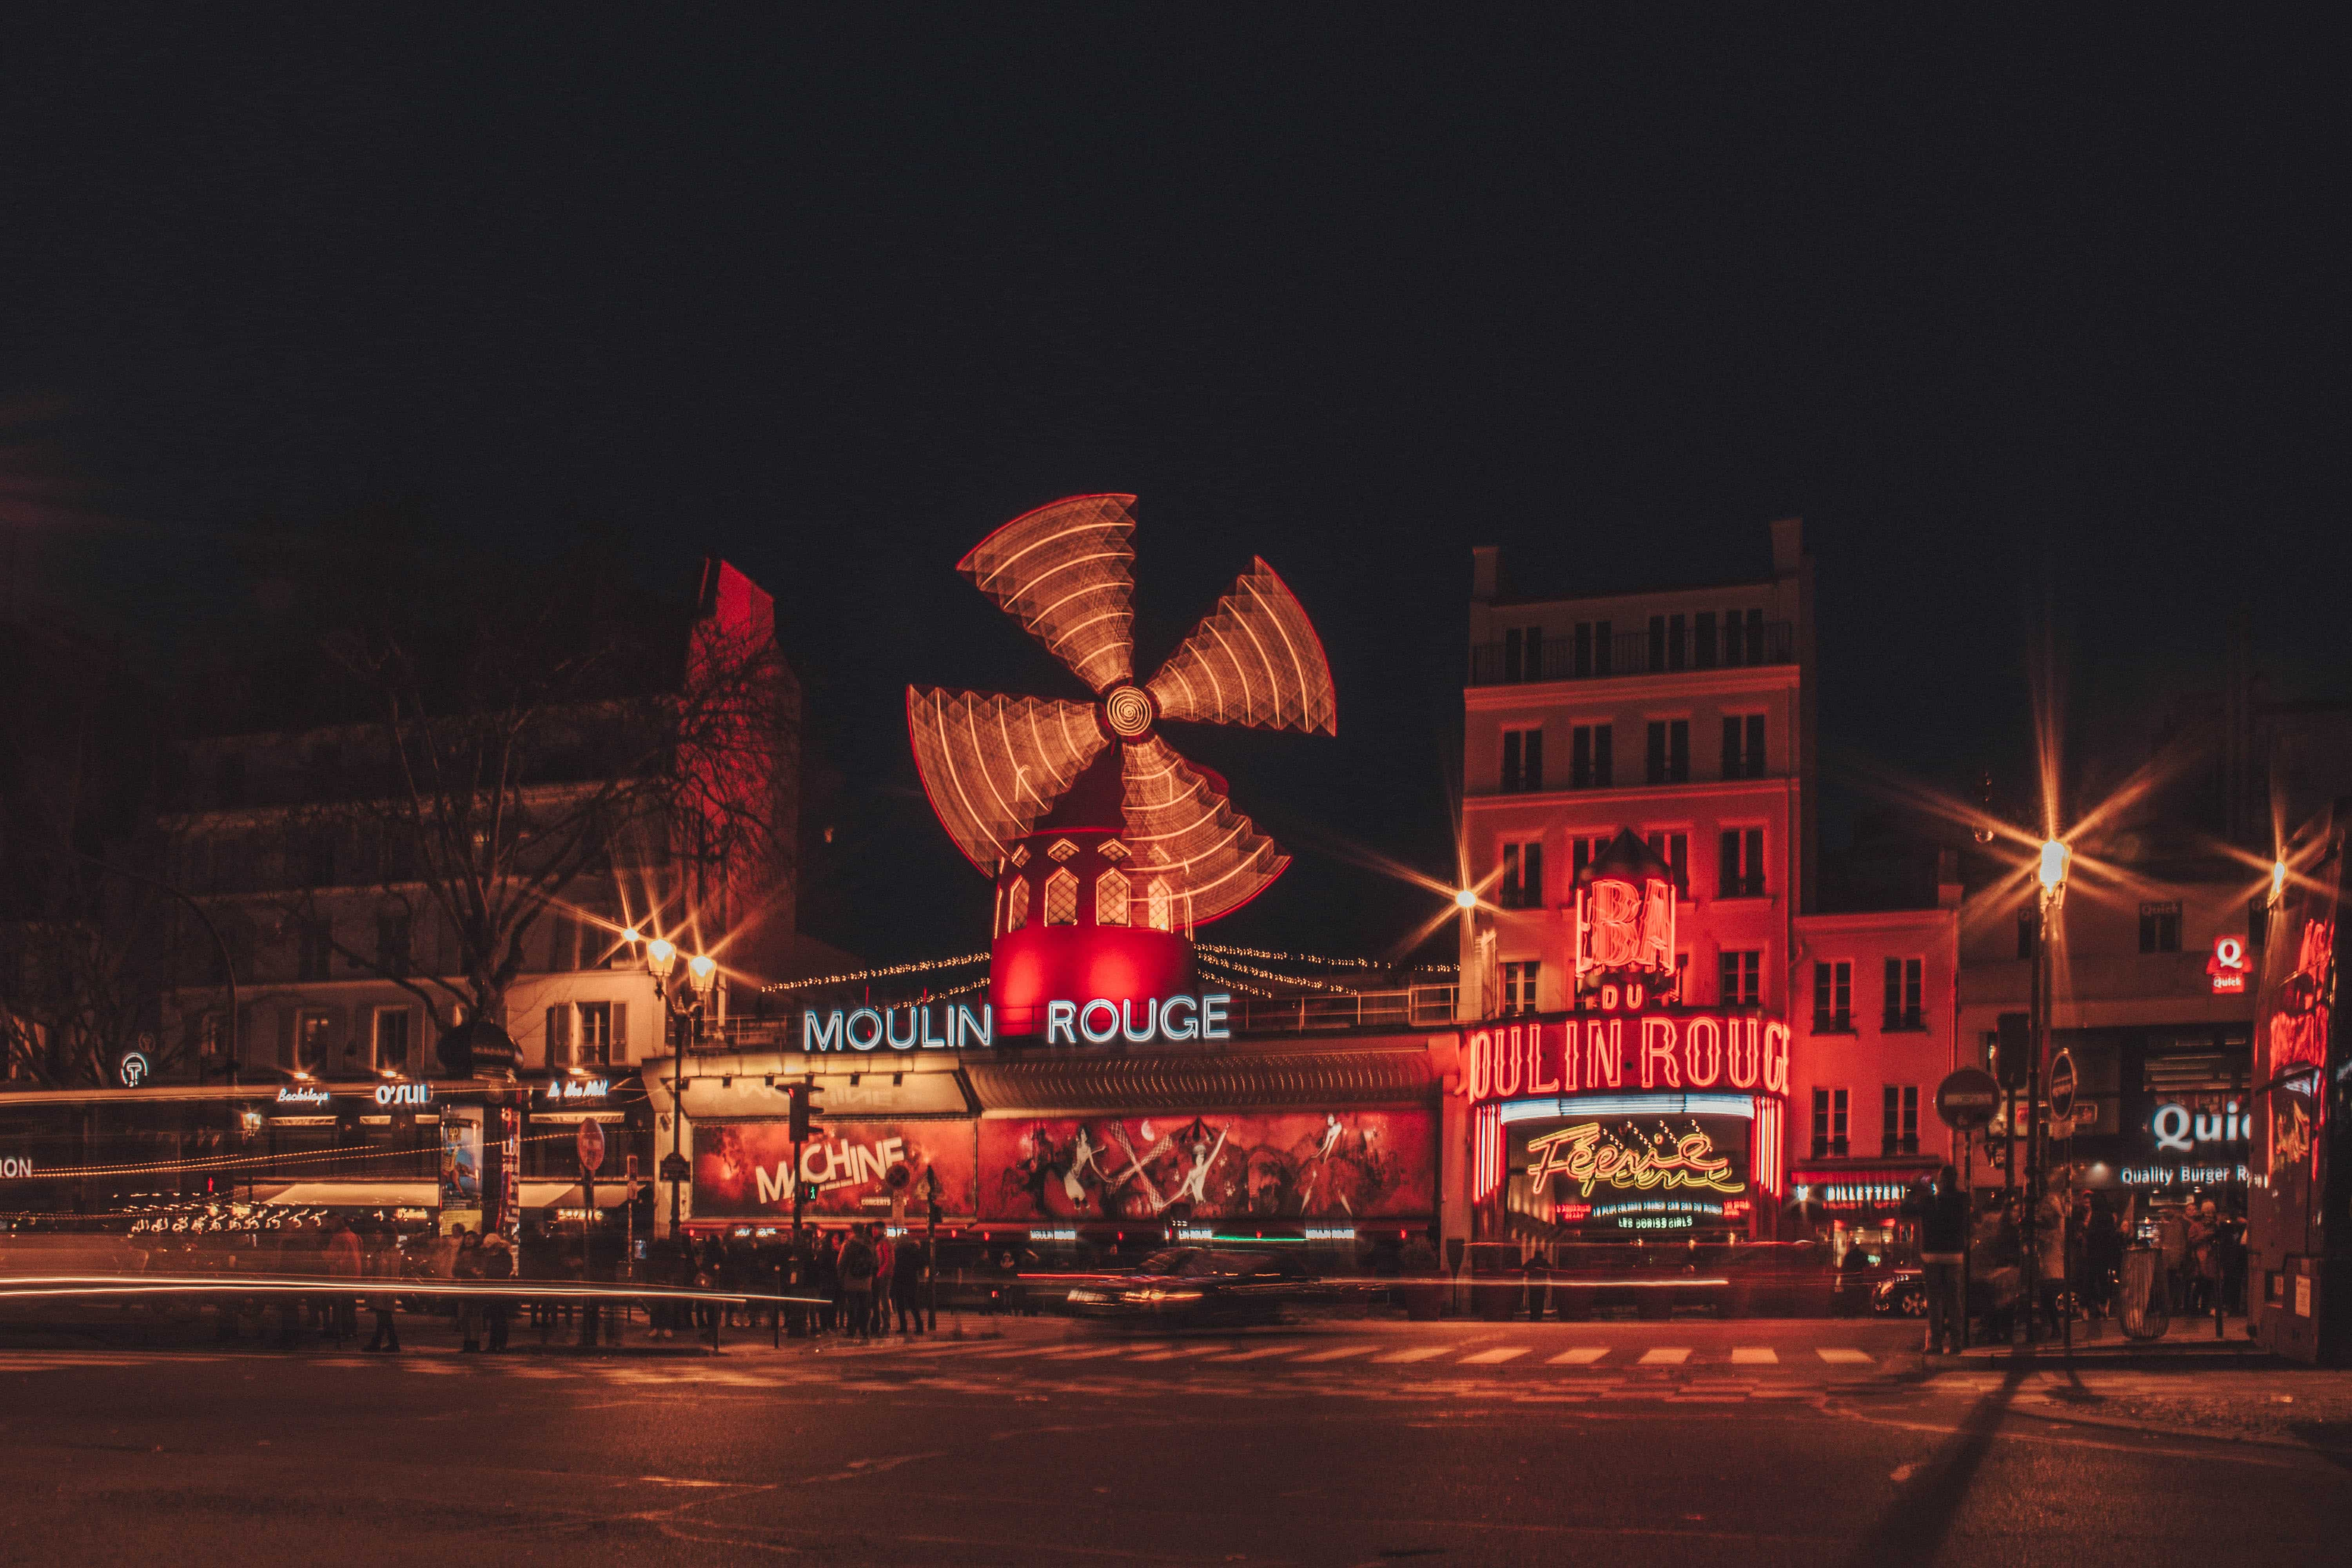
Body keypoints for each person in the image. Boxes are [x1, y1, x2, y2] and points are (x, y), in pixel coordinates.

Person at [1906, 1167, 1969, 1354]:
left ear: (1940, 1181)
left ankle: (1937, 1343)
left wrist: (1913, 1187)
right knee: (1954, 1299)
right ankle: (1957, 1342)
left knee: (1935, 1301)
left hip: (1932, 1255)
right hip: (1955, 1254)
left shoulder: (1930, 1202)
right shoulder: (1963, 1200)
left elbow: (1907, 1209)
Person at [324, 1217, 364, 1347]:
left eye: (330, 1222)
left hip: (341, 1276)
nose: (329, 1225)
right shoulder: (356, 1237)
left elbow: (332, 1257)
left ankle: (340, 1332)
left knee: (339, 1306)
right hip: (354, 1276)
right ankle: (352, 1330)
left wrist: (321, 1254)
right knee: (350, 1305)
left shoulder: (338, 1238)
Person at [363, 1228, 403, 1353]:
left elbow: (394, 1273)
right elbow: (371, 1270)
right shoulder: (379, 1251)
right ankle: (384, 1342)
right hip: (378, 1288)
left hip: (385, 1289)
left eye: (380, 1233)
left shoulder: (393, 1252)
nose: (377, 1236)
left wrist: (391, 1291)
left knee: (384, 1317)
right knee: (383, 1317)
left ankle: (385, 1343)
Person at [838, 1225, 878, 1341]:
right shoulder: (870, 1244)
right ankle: (865, 1331)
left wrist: (841, 1276)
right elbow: (877, 1262)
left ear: (853, 1231)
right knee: (865, 1307)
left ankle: (851, 1331)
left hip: (851, 1279)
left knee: (852, 1307)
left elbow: (841, 1262)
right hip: (866, 1281)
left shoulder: (848, 1244)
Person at [480, 1232, 515, 1352]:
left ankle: (499, 1344)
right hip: (494, 1288)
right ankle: (495, 1344)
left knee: (500, 1318)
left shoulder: (504, 1256)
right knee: (495, 1318)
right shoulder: (492, 1256)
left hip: (500, 1288)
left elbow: (505, 1271)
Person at [453, 1230, 485, 1352]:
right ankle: (467, 1342)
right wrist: (468, 1270)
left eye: (471, 1238)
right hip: (465, 1287)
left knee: (475, 1316)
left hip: (476, 1288)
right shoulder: (462, 1254)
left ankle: (475, 1343)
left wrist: (475, 1272)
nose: (468, 1241)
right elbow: (455, 1270)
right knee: (463, 1316)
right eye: (467, 1238)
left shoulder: (480, 1254)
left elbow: (481, 1270)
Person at [891, 1235, 927, 1335]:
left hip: (899, 1279)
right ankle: (919, 1326)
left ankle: (904, 1327)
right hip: (911, 1279)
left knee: (900, 1304)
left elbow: (894, 1264)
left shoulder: (898, 1251)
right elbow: (922, 1263)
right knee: (913, 1304)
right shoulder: (914, 1251)